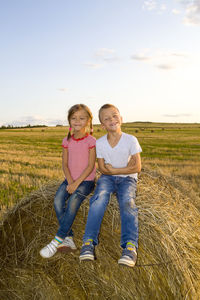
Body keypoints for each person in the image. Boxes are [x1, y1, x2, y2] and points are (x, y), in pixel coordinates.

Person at [79, 104, 142, 267]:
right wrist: (116, 171)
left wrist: (115, 170)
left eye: (114, 116)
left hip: (128, 179)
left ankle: (130, 246)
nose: (112, 120)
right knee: (98, 198)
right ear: (103, 125)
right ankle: (88, 242)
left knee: (128, 202)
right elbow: (101, 167)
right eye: (107, 119)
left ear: (121, 118)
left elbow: (137, 167)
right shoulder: (100, 143)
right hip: (107, 178)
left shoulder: (131, 140)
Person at [40, 104, 96, 258]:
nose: (77, 121)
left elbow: (91, 166)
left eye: (81, 118)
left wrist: (76, 184)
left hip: (86, 181)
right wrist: (70, 181)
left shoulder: (91, 141)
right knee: (58, 201)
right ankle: (69, 238)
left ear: (88, 121)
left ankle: (57, 240)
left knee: (72, 202)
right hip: (70, 179)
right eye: (74, 118)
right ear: (69, 121)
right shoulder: (67, 140)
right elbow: (64, 164)